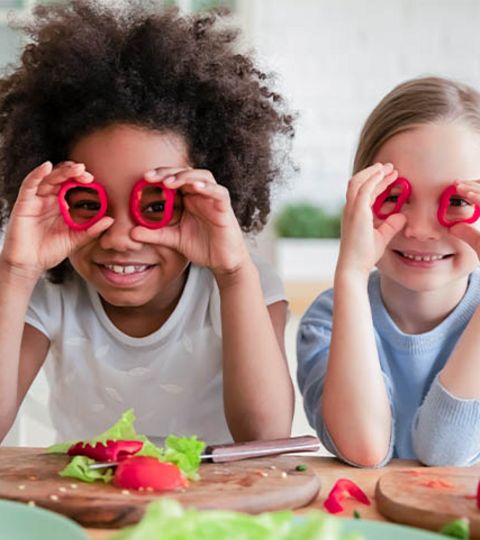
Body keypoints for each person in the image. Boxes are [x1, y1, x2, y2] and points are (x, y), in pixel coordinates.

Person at [0, 0, 295, 445]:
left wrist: (235, 276)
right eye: (88, 204)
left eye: (155, 208)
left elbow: (266, 436)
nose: (120, 238)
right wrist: (15, 272)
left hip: (209, 505)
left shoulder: (241, 284)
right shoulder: (51, 292)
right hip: (91, 507)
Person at [297, 76, 480, 467]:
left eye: (458, 201)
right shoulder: (327, 321)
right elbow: (364, 448)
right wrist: (351, 272)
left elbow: (447, 453)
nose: (419, 229)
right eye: (394, 197)